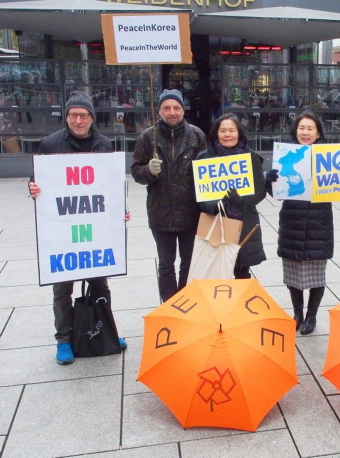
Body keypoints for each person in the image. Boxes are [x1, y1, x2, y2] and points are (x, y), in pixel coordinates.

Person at [28, 91, 128, 365]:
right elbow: (36, 180)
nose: (78, 120)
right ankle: (63, 339)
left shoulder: (103, 145)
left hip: (94, 228)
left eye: (83, 115)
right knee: (62, 286)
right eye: (73, 115)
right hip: (64, 229)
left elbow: (111, 186)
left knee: (100, 284)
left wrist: (119, 212)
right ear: (67, 117)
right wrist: (33, 188)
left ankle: (106, 330)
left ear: (92, 118)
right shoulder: (51, 144)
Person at [264, 111, 340, 335]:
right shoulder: (286, 157)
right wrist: (268, 181)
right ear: (295, 131)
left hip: (319, 222)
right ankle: (297, 314)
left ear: (318, 134)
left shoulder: (329, 157)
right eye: (301, 128)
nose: (305, 132)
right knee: (292, 273)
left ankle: (311, 315)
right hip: (292, 221)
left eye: (310, 129)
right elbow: (276, 192)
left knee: (317, 273)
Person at [131, 89, 207, 302]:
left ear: (183, 110)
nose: (171, 112)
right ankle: (169, 304)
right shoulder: (148, 137)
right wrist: (148, 171)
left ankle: (185, 302)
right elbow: (136, 171)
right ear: (160, 111)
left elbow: (208, 171)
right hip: (160, 212)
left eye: (176, 108)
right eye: (166, 108)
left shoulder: (197, 135)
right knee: (166, 264)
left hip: (190, 212)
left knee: (188, 262)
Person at [197, 113, 266, 278]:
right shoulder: (205, 159)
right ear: (216, 133)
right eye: (223, 131)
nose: (227, 135)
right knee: (217, 272)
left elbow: (260, 190)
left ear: (239, 133)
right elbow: (199, 195)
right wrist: (216, 204)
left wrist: (242, 201)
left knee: (242, 271)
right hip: (216, 222)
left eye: (231, 130)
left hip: (244, 222)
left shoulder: (251, 158)